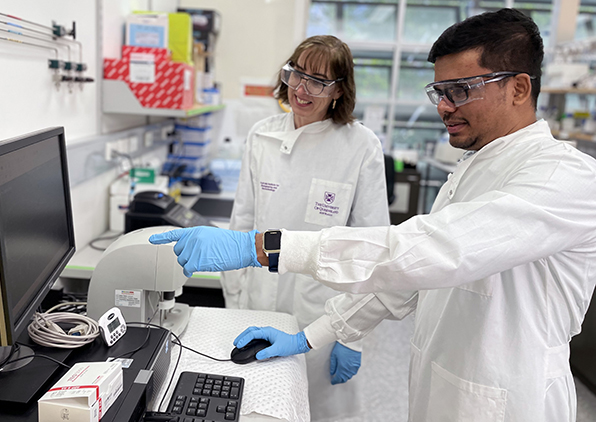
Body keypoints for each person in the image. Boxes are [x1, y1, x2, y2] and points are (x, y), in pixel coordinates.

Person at [150, 8, 596, 422]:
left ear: (518, 88)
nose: (443, 106)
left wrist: (259, 246)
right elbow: (406, 279)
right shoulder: (472, 170)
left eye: (459, 91)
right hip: (438, 388)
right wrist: (313, 335)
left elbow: (427, 250)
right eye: (439, 91)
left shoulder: (565, 178)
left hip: (510, 401)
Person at [219, 35, 398, 422]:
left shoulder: (360, 145)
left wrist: (352, 337)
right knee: (256, 409)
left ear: (338, 91)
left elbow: (371, 249)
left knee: (317, 412)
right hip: (258, 303)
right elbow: (242, 226)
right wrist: (233, 306)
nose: (301, 89)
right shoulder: (262, 136)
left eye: (318, 81)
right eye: (297, 74)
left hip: (321, 317)